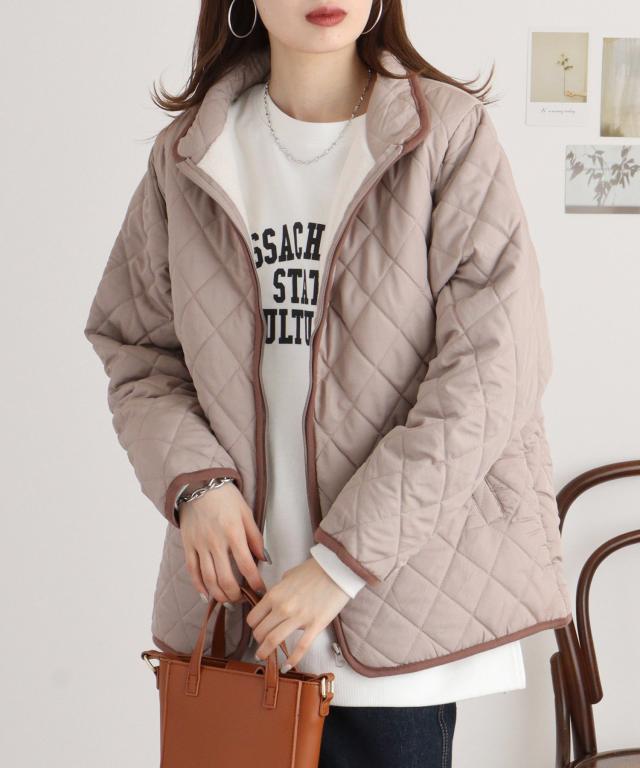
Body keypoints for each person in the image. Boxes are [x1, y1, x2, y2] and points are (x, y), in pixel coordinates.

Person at [84, 1, 573, 766]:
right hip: (241, 624)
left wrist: (342, 565)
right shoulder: (190, 155)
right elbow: (136, 349)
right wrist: (196, 485)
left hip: (395, 616)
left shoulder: (445, 134)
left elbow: (495, 371)